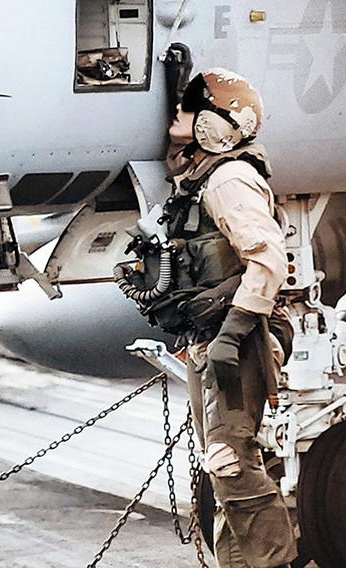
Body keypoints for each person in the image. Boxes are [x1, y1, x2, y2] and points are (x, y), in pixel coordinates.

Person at [115, 68, 295, 567]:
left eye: (191, 106)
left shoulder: (228, 179)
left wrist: (233, 335)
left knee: (230, 462)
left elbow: (268, 259)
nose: (179, 113)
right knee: (221, 471)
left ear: (216, 125)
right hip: (212, 335)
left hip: (242, 336)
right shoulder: (198, 180)